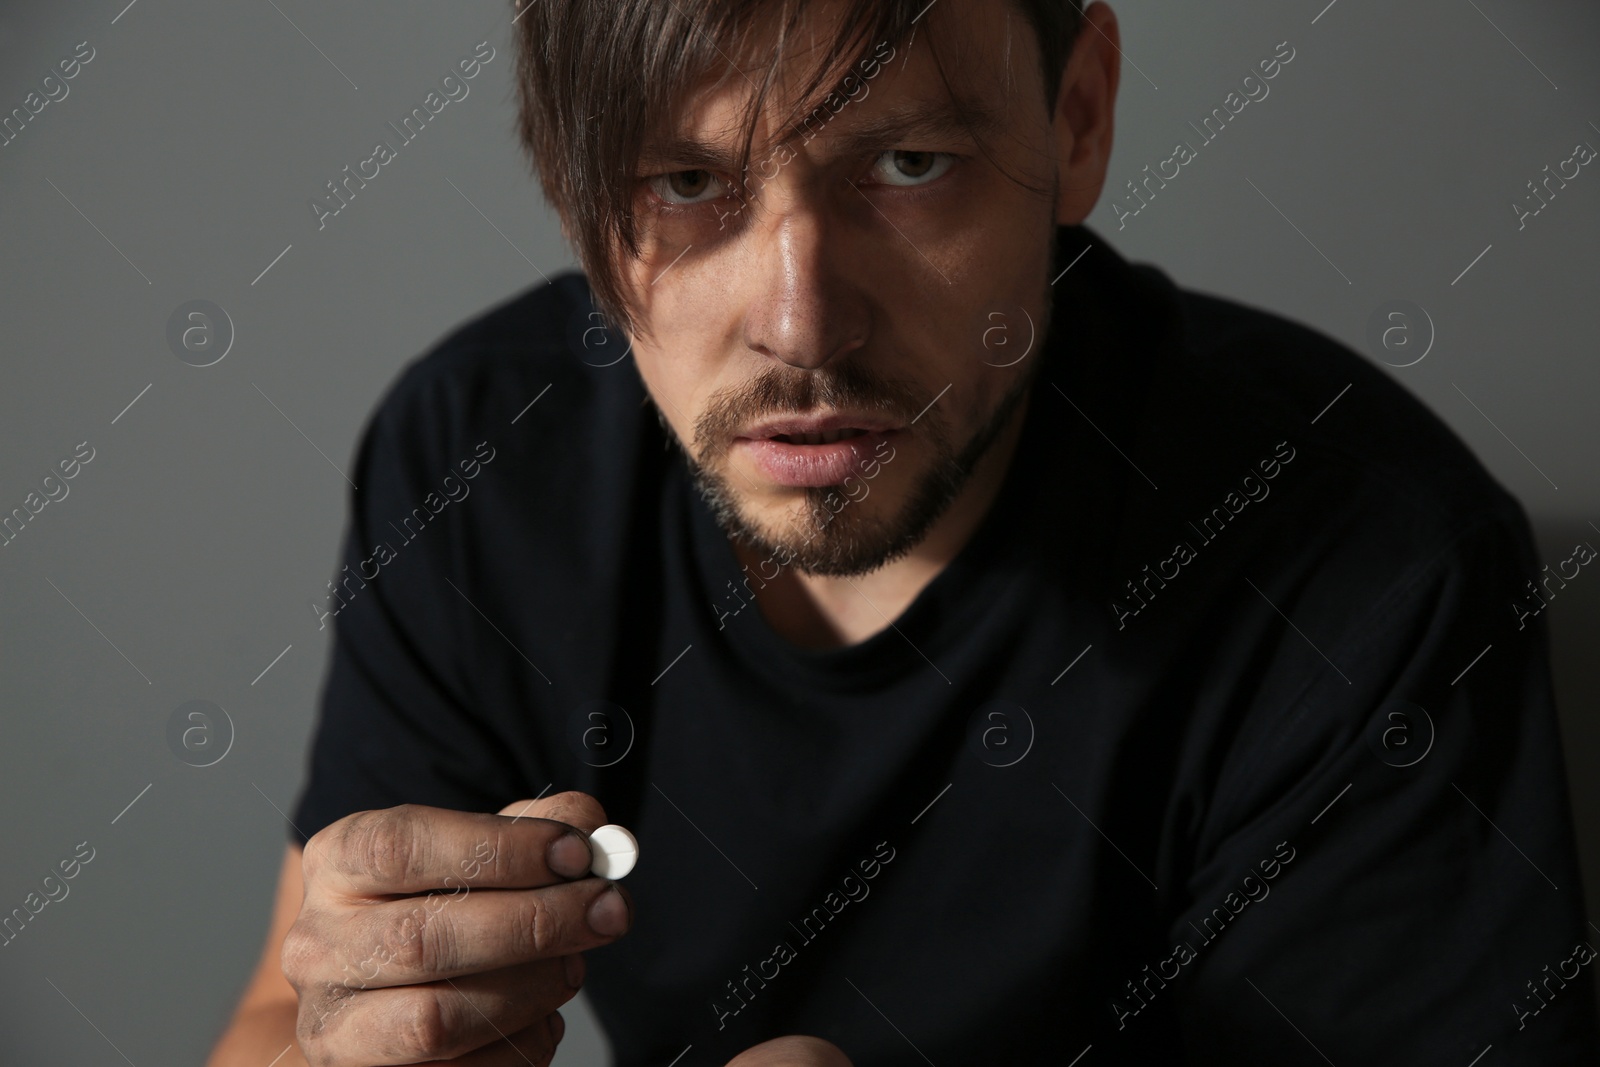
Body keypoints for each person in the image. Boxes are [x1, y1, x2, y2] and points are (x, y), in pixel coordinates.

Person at [207, 0, 1600, 1064]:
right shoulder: (475, 463)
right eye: (684, 186)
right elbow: (282, 1012)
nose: (803, 324)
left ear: (1078, 116)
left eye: (912, 163)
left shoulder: (1369, 557)